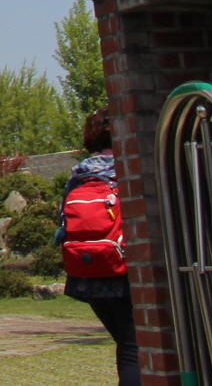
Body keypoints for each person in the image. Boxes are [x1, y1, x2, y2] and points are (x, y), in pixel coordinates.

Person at [59, 106, 139, 386]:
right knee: (136, 350)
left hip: (89, 276)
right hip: (125, 272)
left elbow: (63, 223)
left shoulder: (79, 174)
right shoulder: (128, 166)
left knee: (127, 346)